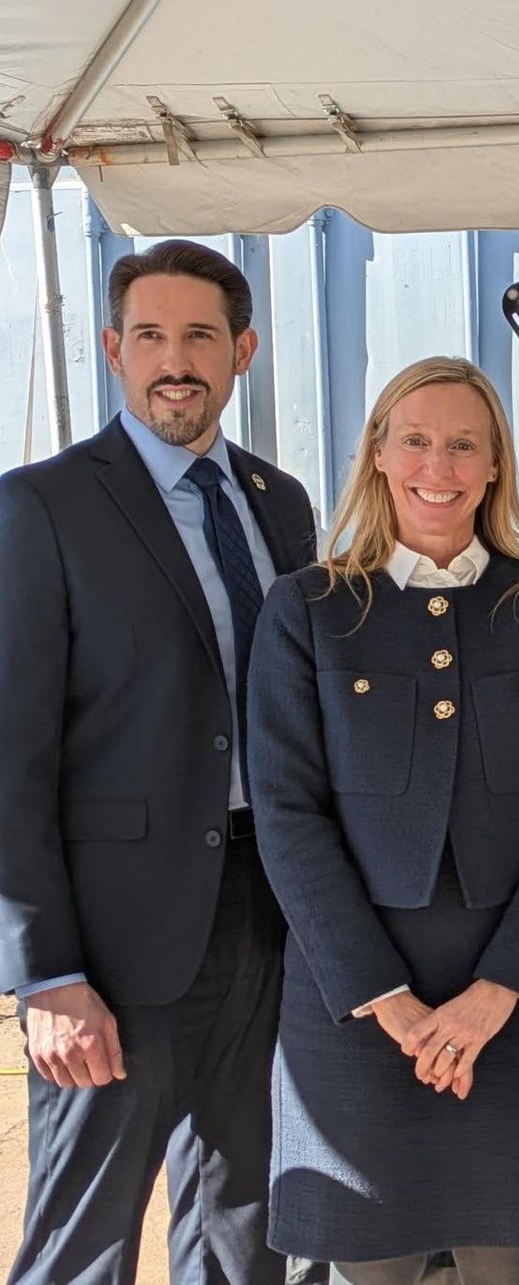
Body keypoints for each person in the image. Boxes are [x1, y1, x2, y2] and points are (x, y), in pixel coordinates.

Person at [246, 357, 519, 1284]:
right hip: (361, 1009)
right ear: (377, 454)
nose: (437, 467)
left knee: (508, 1267)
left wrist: (498, 992)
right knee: (371, 1266)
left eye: (463, 446)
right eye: (414, 440)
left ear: (496, 466)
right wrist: (392, 1005)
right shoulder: (308, 611)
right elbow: (289, 817)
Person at [0, 240, 315, 1285]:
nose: (173, 360)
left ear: (244, 351)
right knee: (83, 1236)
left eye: (199, 337)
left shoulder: (281, 503)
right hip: (114, 946)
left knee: (245, 1222)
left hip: (268, 921)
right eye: (149, 337)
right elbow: (11, 751)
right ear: (111, 349)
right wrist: (44, 969)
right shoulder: (40, 506)